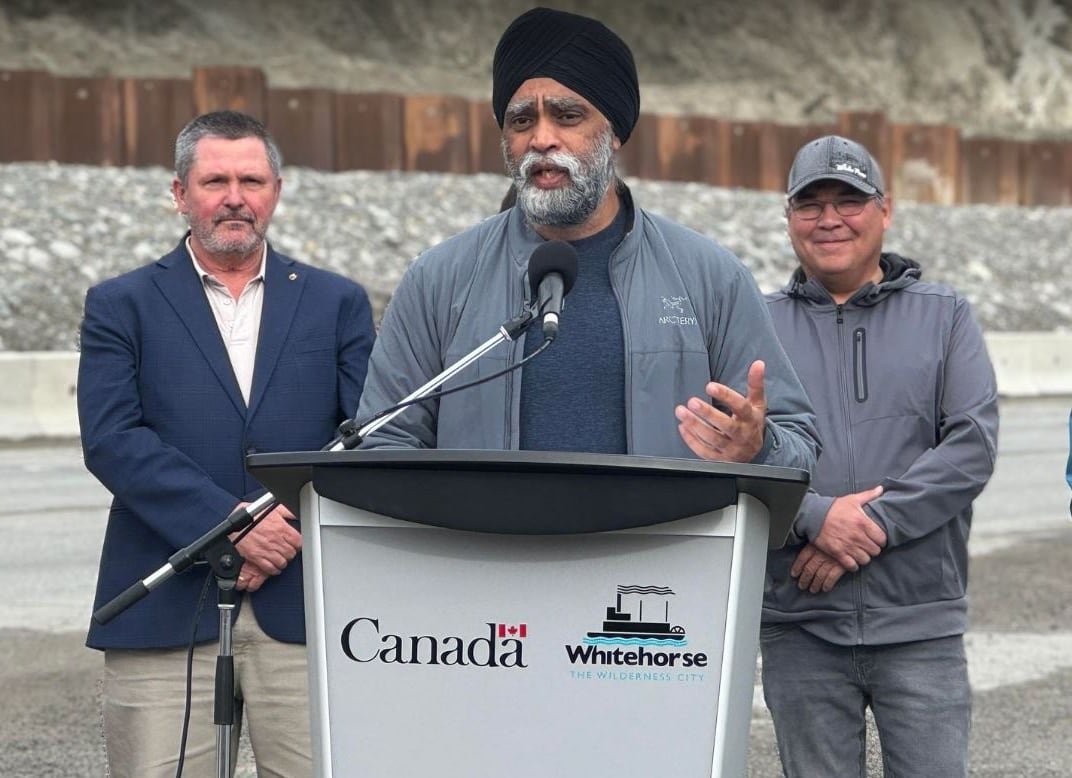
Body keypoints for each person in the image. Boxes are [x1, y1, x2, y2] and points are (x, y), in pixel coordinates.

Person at [356, 6, 819, 471]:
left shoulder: (710, 277)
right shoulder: (438, 279)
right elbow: (382, 440)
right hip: (483, 543)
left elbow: (799, 447)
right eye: (521, 121)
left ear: (614, 132)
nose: (541, 139)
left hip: (661, 542)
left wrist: (758, 446)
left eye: (567, 116)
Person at [77, 110, 374, 777]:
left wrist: (282, 526)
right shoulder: (120, 304)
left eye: (251, 179)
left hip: (303, 603)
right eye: (215, 180)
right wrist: (233, 527)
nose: (234, 196)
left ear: (276, 190)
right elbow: (112, 438)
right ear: (180, 193)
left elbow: (364, 436)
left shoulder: (338, 303)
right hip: (164, 603)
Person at [760, 135, 999, 777]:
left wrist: (870, 525)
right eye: (811, 204)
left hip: (920, 626)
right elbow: (735, 456)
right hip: (798, 626)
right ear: (788, 217)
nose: (830, 219)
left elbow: (971, 445)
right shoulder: (756, 327)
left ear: (884, 211)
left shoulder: (945, 315)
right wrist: (814, 518)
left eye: (849, 201)